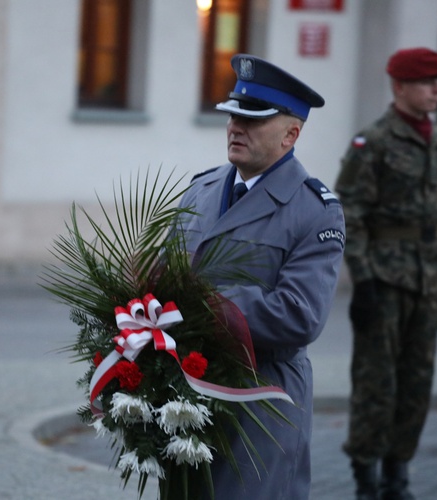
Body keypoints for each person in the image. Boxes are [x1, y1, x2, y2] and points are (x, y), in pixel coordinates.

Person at [176, 54, 345, 499]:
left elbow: (300, 316)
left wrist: (203, 305)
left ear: (291, 134)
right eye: (233, 115)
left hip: (261, 401)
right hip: (187, 394)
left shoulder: (314, 210)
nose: (235, 127)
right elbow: (165, 272)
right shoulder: (202, 188)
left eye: (252, 120)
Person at [334, 47, 437, 500]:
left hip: (430, 280)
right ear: (400, 87)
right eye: (429, 82)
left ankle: (398, 474)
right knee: (376, 383)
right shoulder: (372, 143)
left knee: (416, 383)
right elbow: (349, 213)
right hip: (385, 282)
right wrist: (363, 280)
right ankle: (365, 476)